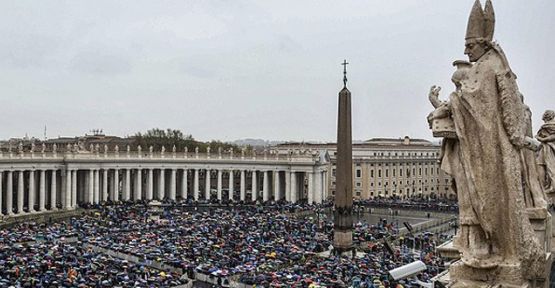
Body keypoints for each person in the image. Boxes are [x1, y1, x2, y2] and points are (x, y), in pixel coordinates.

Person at [429, 0, 544, 276]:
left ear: (483, 43)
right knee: (481, 200)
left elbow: (473, 102)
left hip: (488, 150)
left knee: (486, 200)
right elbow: (469, 101)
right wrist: (444, 105)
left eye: (469, 45)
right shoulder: (487, 65)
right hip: (484, 148)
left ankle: (491, 249)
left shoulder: (490, 66)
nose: (466, 50)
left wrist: (444, 104)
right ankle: (488, 246)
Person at [536, 110, 555, 195]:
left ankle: (552, 186)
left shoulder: (549, 125)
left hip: (549, 148)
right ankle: (544, 186)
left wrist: (542, 139)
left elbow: (553, 136)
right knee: (540, 164)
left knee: (550, 167)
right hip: (544, 148)